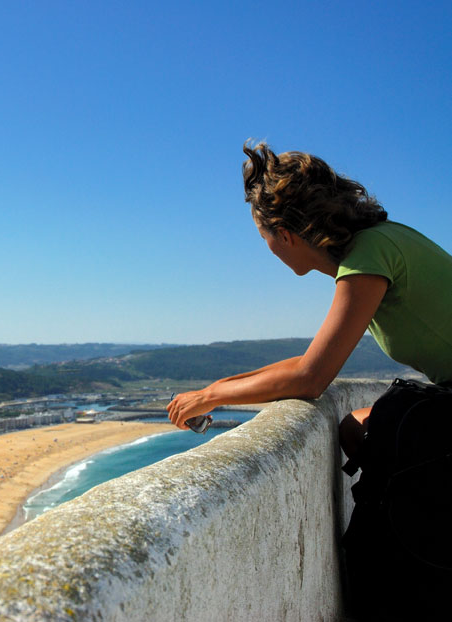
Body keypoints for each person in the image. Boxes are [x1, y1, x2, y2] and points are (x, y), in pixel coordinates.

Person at [167, 141, 452, 619]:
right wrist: (211, 390)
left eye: (263, 238)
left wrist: (213, 394)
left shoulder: (369, 253)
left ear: (284, 233)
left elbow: (312, 376)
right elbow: (309, 361)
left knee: (378, 440)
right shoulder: (376, 245)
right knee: (360, 428)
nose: (268, 249)